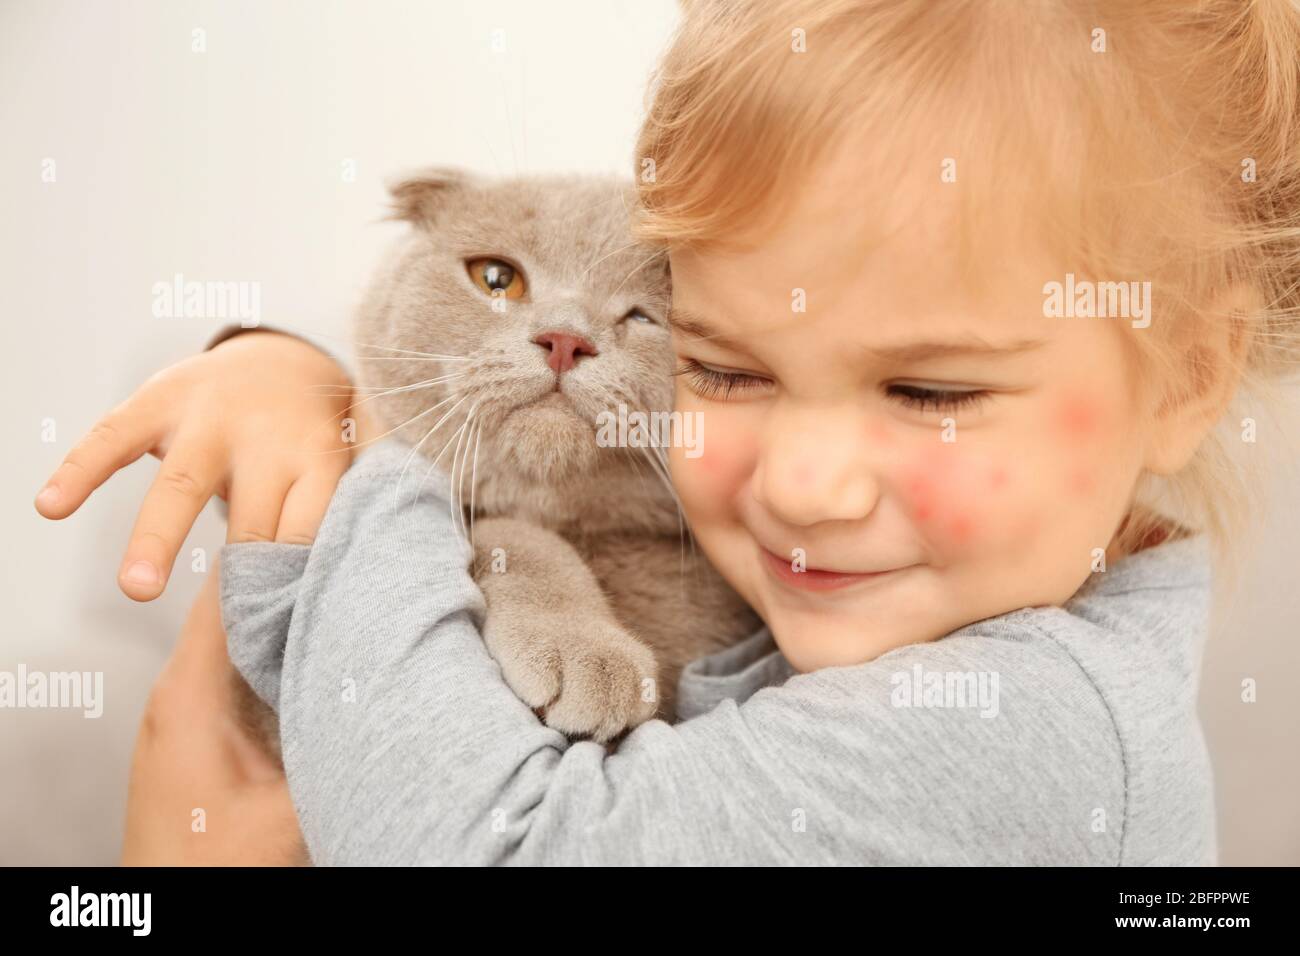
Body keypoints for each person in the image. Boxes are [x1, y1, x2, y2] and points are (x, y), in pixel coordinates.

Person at [38, 0, 1300, 864]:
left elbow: (482, 847)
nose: (801, 486)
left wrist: (356, 445)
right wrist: (279, 369)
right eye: (727, 368)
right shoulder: (878, 610)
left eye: (927, 392)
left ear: (1188, 372)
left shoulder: (1030, 730)